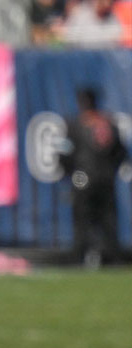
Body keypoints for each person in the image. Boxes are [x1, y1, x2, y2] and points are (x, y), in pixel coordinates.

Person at [60, 86, 129, 268]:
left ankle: (80, 255)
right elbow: (121, 152)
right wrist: (110, 170)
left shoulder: (75, 123)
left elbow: (65, 154)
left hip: (82, 177)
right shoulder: (108, 123)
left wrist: (69, 174)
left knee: (82, 217)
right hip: (106, 177)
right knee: (108, 218)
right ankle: (111, 256)